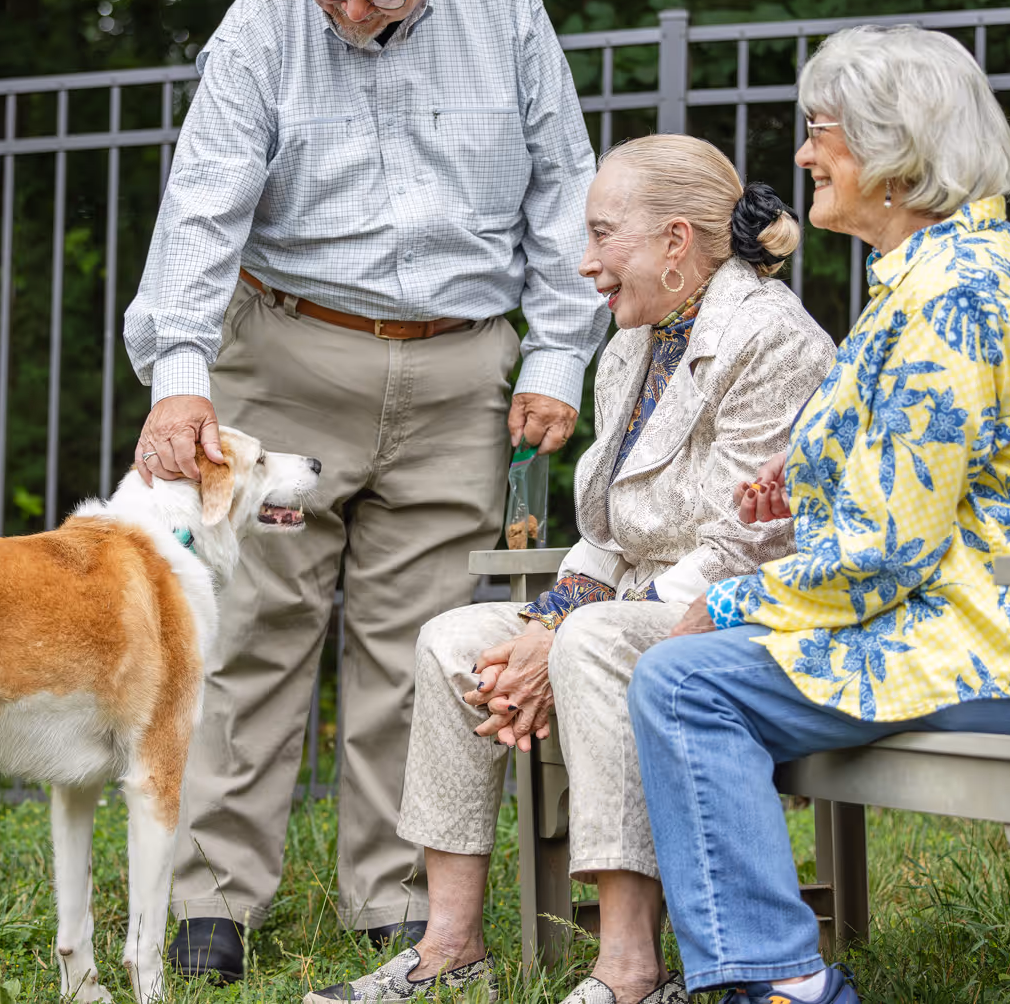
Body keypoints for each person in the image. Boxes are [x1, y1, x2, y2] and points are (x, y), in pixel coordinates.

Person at [122, 0, 610, 979]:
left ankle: (396, 897)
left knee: (421, 644)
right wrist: (180, 370)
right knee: (251, 632)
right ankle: (212, 900)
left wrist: (558, 358)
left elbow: (563, 186)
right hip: (286, 356)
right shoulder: (265, 15)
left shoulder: (505, 7)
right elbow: (202, 200)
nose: (348, 6)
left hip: (458, 368)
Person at [627, 25, 1010, 1004]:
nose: (799, 155)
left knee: (686, 679)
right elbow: (932, 470)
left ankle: (779, 984)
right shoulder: (941, 271)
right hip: (984, 627)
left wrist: (740, 604)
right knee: (690, 675)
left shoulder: (953, 292)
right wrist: (812, 475)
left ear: (893, 150)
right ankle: (771, 974)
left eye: (819, 128)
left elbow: (887, 549)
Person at [305, 134, 835, 1004]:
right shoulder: (633, 341)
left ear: (675, 242)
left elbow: (751, 542)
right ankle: (450, 945)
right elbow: (603, 529)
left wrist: (561, 635)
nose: (583, 264)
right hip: (629, 604)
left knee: (591, 639)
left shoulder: (771, 339)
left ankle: (630, 967)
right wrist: (543, 625)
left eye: (601, 235)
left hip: (739, 608)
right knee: (453, 638)